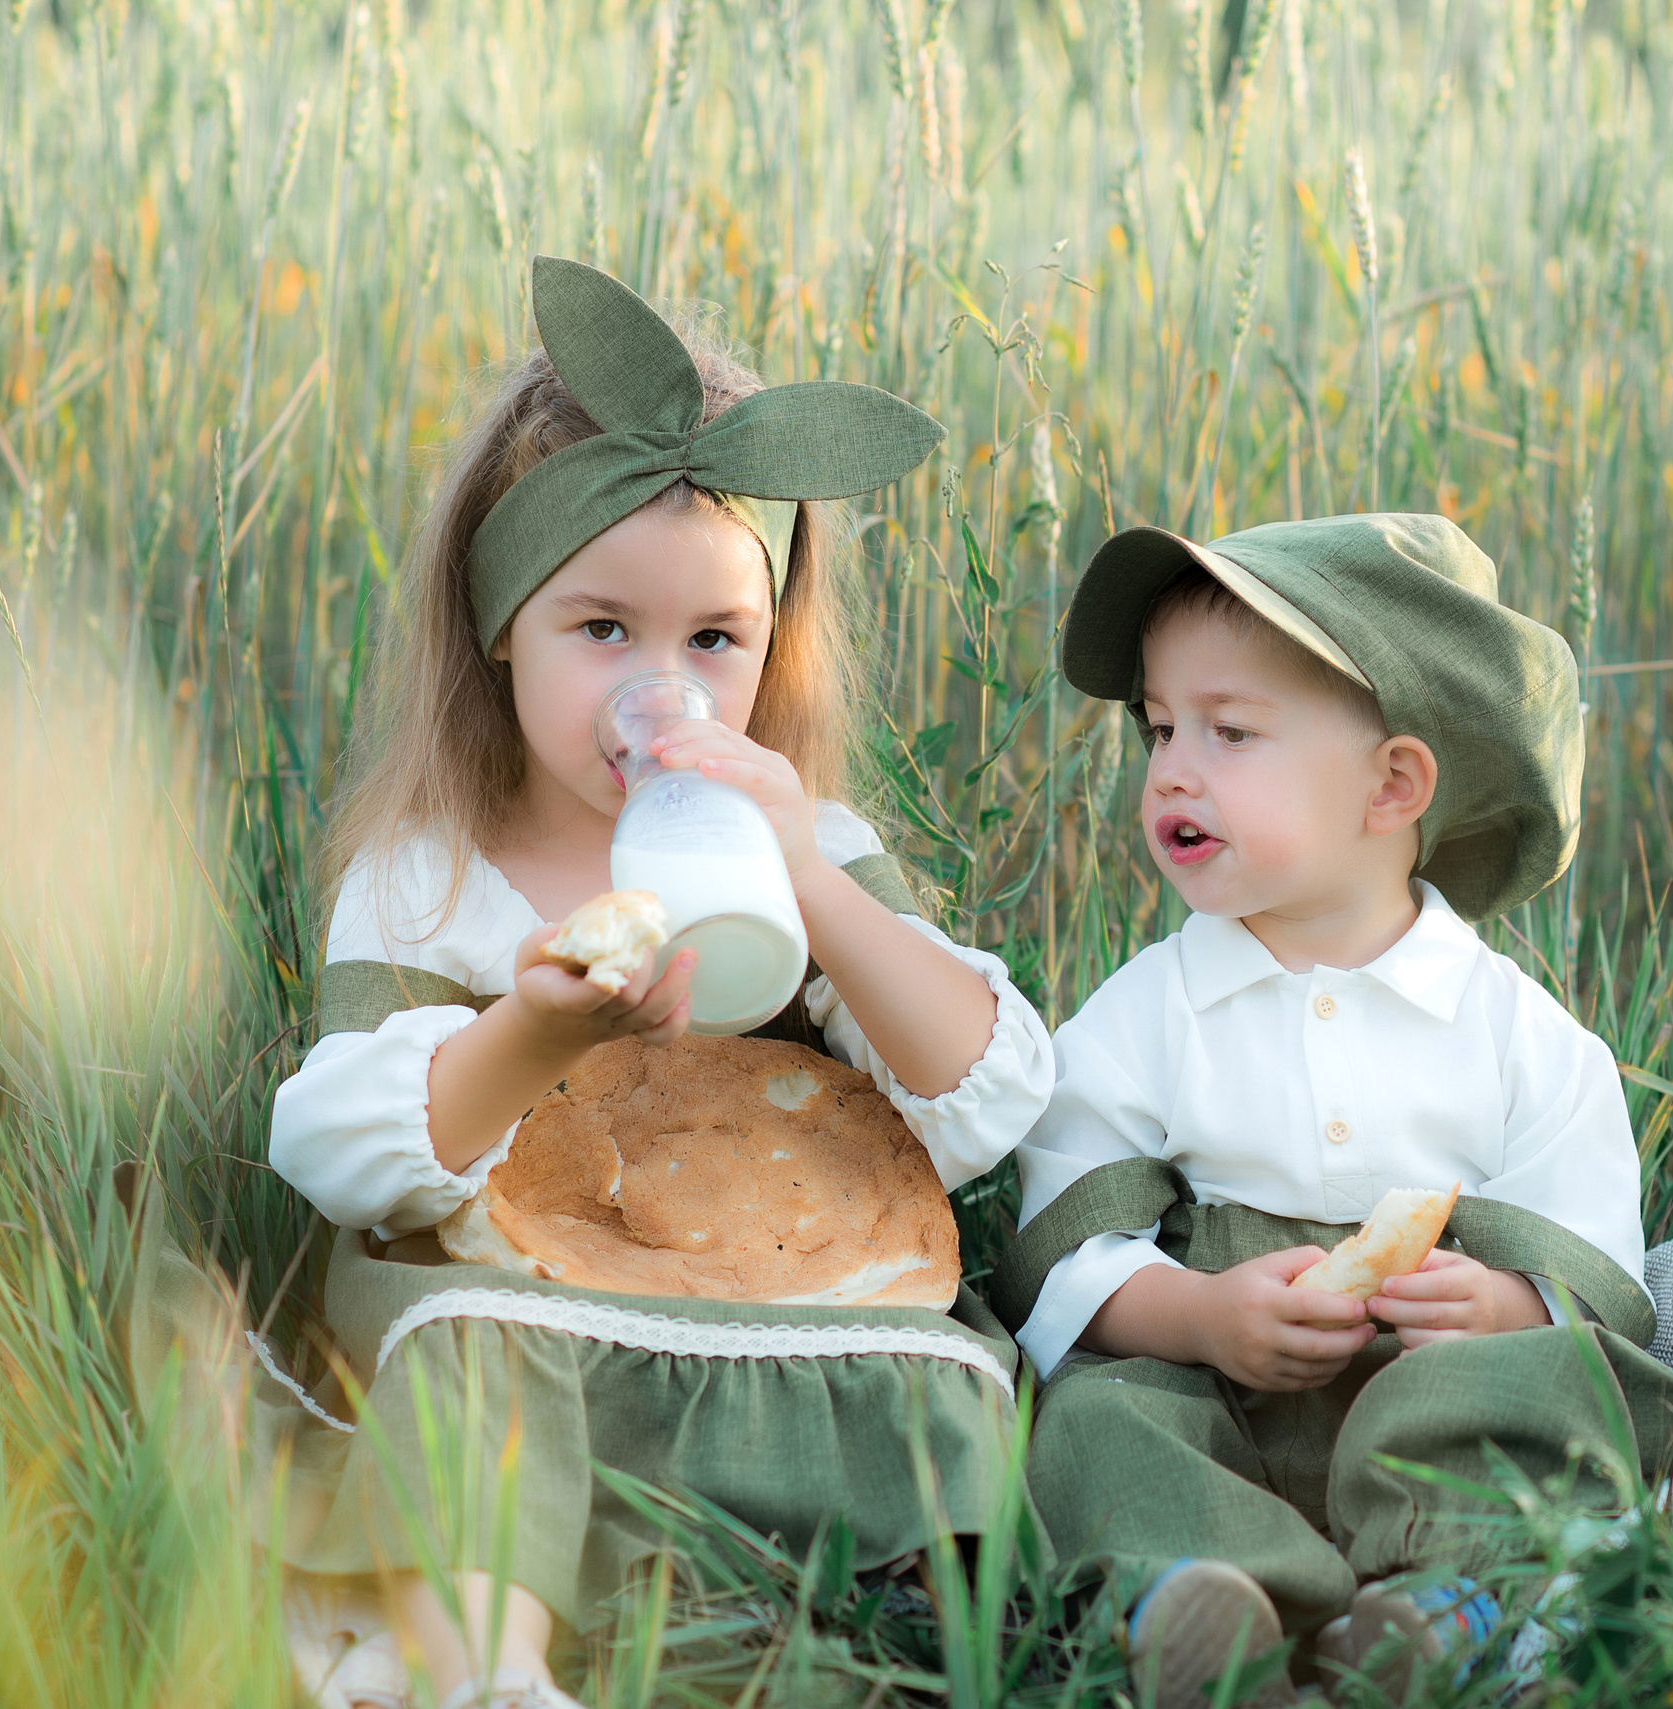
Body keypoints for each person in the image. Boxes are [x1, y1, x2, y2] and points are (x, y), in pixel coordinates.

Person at [256, 256, 1054, 1709]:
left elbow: (975, 1100)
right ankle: (490, 1667)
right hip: (531, 1329)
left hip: (778, 1319)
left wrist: (812, 878)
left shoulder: (807, 851)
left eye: (714, 641)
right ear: (503, 627)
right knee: (464, 1369)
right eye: (602, 629)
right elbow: (338, 1156)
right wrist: (532, 1028)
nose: (658, 684)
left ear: (770, 647)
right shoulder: (433, 876)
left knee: (950, 1373)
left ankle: (897, 1645)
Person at [999, 515, 1673, 1706]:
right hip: (1221, 1384)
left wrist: (1505, 1303)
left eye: (1230, 731)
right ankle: (1209, 1597)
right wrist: (1197, 1313)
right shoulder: (1152, 1008)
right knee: (1093, 1420)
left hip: (1425, 1375)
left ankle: (1436, 1599)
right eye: (1161, 728)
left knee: (1544, 1391)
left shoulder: (1514, 1031)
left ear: (1391, 784)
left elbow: (1589, 1249)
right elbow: (1066, 1226)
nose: (1171, 768)